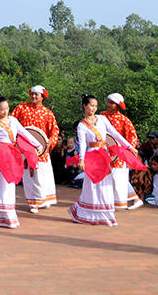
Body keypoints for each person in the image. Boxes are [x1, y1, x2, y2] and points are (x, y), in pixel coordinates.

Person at [67, 94, 136, 226]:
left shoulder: (102, 119)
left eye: (96, 106)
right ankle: (86, 214)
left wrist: (129, 146)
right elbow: (82, 143)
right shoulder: (82, 125)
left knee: (105, 185)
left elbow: (115, 134)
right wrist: (81, 159)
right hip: (92, 156)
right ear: (84, 106)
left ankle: (106, 216)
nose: (94, 108)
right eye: (91, 106)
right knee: (92, 186)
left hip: (103, 155)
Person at [0, 94, 42, 228]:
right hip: (1, 155)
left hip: (12, 154)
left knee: (10, 183)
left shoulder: (13, 120)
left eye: (6, 108)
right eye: (2, 109)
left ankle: (7, 214)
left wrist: (37, 144)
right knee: (0, 183)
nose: (5, 111)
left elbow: (24, 133)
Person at [12, 85, 59, 213]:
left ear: (42, 97)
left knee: (43, 175)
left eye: (36, 95)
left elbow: (54, 130)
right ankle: (33, 202)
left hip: (42, 150)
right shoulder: (22, 108)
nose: (33, 96)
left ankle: (44, 199)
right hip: (26, 148)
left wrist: (50, 141)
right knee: (30, 177)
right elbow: (11, 121)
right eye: (32, 94)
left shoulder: (48, 113)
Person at [101, 92, 143, 210]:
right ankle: (134, 199)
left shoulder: (124, 120)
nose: (109, 105)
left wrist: (127, 151)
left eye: (112, 103)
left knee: (117, 177)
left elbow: (133, 137)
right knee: (109, 176)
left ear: (118, 105)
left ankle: (127, 200)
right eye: (108, 102)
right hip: (104, 150)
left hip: (118, 153)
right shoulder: (102, 115)